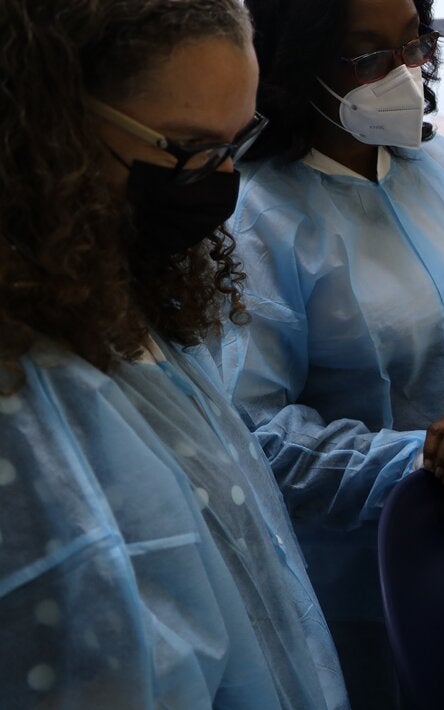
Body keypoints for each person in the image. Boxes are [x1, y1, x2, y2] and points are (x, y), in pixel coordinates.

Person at [0, 0, 346, 707]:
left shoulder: (123, 291)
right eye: (186, 150)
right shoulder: (25, 394)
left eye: (231, 148)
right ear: (51, 127)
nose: (216, 181)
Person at [222, 0, 444, 705]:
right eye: (366, 58)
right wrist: (429, 461)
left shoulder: (437, 164)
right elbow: (258, 432)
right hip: (354, 575)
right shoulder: (258, 218)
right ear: (295, 66)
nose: (401, 75)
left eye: (413, 45)